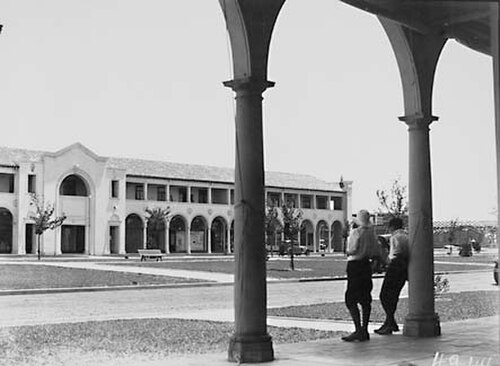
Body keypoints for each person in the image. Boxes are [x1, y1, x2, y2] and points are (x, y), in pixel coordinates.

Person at [341, 209, 379, 342]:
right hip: (366, 265)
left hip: (355, 265)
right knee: (365, 298)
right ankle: (365, 328)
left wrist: (346, 249)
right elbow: (375, 250)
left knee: (350, 298)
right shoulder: (372, 234)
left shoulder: (356, 233)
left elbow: (352, 250)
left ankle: (358, 329)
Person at [375, 216, 409, 335]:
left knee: (384, 295)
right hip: (404, 268)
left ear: (392, 227)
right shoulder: (406, 236)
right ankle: (390, 321)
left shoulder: (395, 237)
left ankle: (390, 321)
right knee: (393, 296)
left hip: (395, 267)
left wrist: (385, 260)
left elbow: (395, 253)